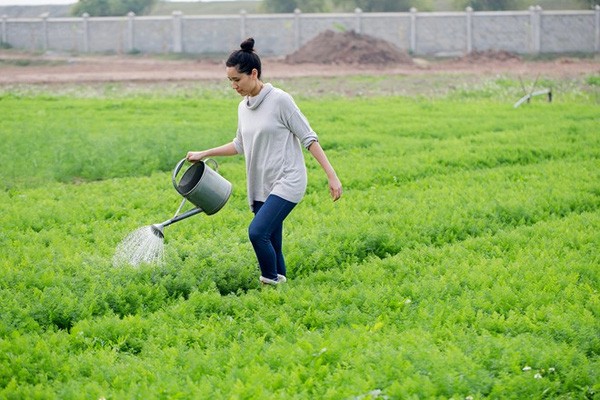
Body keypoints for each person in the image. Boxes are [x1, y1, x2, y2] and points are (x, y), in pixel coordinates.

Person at [187, 38, 342, 286]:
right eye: (230, 81)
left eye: (237, 79)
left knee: (257, 233)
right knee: (272, 240)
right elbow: (239, 144)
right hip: (261, 184)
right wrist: (205, 153)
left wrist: (332, 176)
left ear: (254, 73)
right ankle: (282, 289)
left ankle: (269, 282)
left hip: (287, 180)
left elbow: (309, 138)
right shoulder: (243, 107)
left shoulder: (280, 100)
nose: (233, 86)